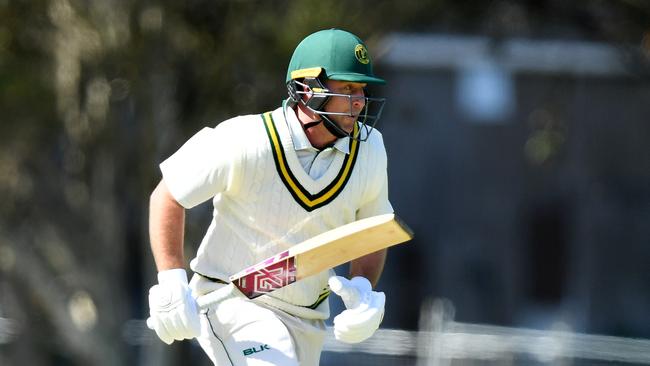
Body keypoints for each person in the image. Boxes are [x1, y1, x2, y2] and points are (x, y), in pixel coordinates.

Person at [147, 28, 394, 365]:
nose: (360, 101)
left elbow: (373, 231)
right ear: (310, 90)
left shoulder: (371, 150)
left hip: (308, 316)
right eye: (348, 89)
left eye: (362, 90)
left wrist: (363, 289)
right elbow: (168, 195)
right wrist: (171, 281)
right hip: (233, 302)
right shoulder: (245, 140)